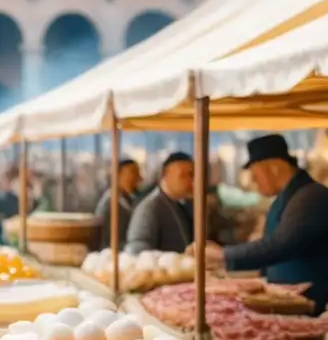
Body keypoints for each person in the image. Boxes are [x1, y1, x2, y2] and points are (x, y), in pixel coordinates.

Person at [202, 134, 328, 312]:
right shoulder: (289, 198)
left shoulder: (311, 197)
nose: (253, 181)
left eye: (255, 174)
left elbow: (282, 244)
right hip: (289, 302)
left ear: (274, 168)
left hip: (312, 306)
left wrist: (225, 255)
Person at [125, 152, 195, 254]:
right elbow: (137, 250)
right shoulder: (150, 208)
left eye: (191, 175)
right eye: (183, 176)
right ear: (165, 175)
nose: (190, 181)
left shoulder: (179, 204)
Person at [95, 158, 143, 249]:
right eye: (133, 173)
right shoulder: (108, 206)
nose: (139, 179)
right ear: (118, 175)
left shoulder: (132, 200)